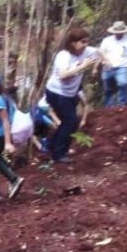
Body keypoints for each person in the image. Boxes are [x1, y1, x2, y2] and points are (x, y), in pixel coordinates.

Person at [45, 28, 100, 164]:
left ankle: (52, 145)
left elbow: (100, 50)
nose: (85, 45)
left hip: (69, 94)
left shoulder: (86, 51)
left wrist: (102, 64)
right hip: (56, 93)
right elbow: (63, 75)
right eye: (82, 42)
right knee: (71, 121)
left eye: (87, 42)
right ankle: (58, 154)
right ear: (73, 43)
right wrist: (83, 66)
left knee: (67, 121)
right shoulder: (63, 56)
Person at [93, 21, 127, 108]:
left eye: (120, 32)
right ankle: (108, 108)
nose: (119, 34)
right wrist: (95, 67)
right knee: (107, 89)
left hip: (122, 67)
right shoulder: (107, 41)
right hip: (107, 67)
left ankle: (122, 105)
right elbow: (101, 54)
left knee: (123, 83)